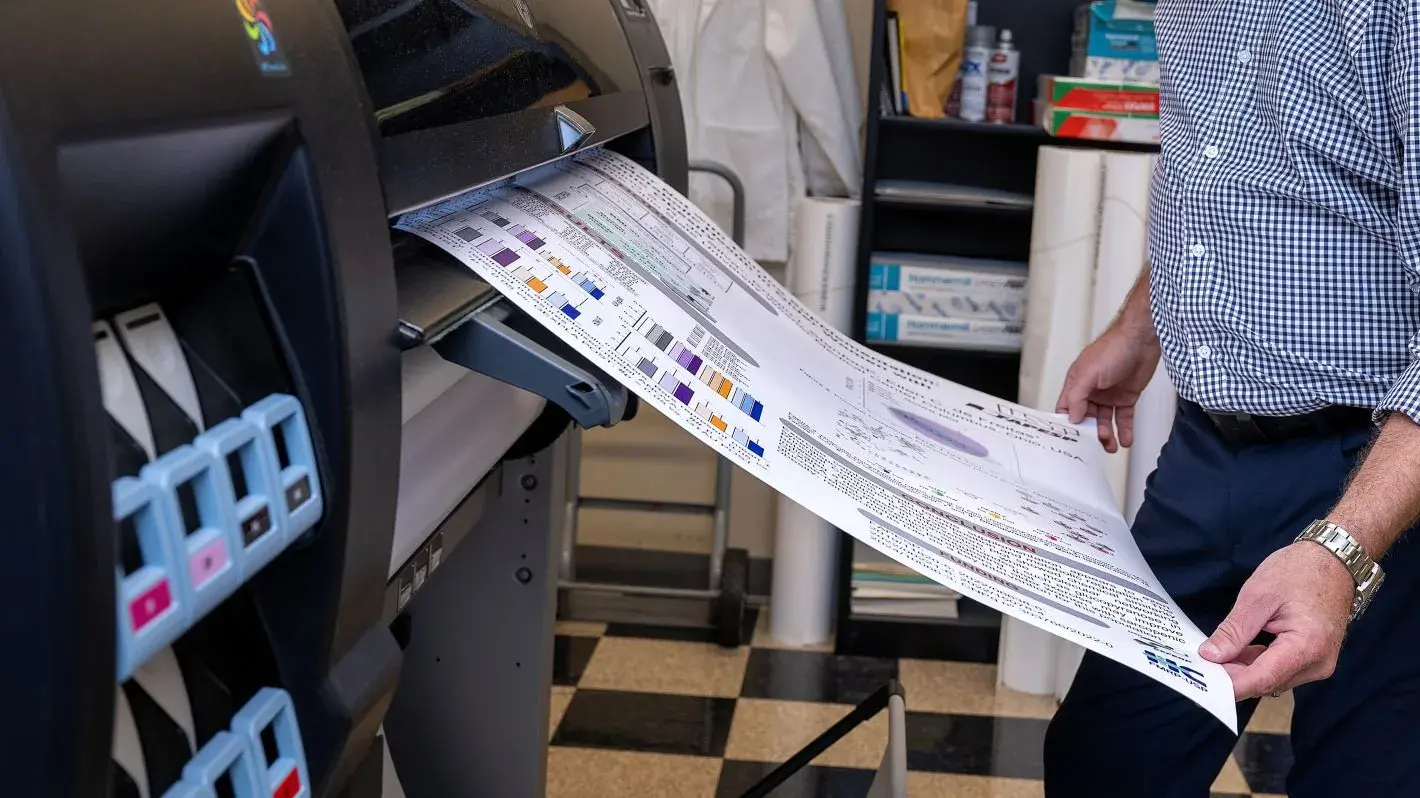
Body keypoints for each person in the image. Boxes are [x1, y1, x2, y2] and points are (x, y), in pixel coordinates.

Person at [1042, 4, 1420, 797]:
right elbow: (1216, 164)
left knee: (1364, 778)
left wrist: (1342, 549)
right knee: (1105, 762)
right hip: (1208, 455)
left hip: (1388, 469)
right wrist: (1140, 325)